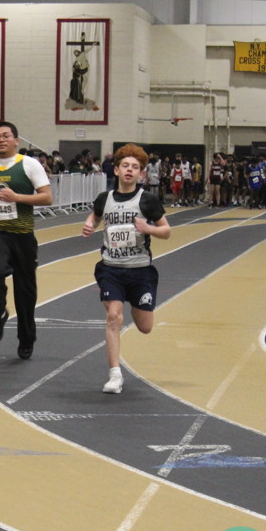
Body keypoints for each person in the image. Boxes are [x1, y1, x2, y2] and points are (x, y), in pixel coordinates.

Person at [81, 144, 170, 394]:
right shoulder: (105, 198)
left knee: (145, 327)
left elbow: (166, 231)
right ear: (117, 170)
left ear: (141, 174)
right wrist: (89, 224)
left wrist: (148, 228)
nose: (130, 170)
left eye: (135, 167)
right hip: (111, 268)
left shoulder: (147, 200)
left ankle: (135, 302)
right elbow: (95, 215)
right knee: (113, 317)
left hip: (140, 270)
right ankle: (115, 375)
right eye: (125, 166)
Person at [0, 121, 53, 360]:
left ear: (16, 140)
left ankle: (26, 339)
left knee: (25, 292)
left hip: (23, 236)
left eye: (6, 136)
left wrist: (17, 197)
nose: (1, 140)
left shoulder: (29, 164)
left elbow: (47, 197)